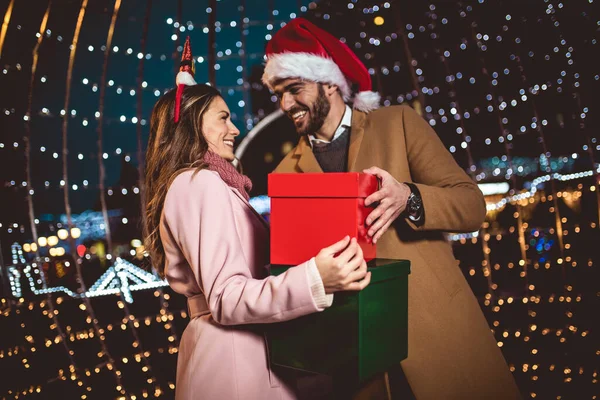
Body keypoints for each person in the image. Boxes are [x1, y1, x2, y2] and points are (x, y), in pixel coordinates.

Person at [263, 18, 522, 399]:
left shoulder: (397, 123)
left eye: (294, 89)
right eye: (279, 94)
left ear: (330, 83)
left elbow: (471, 205)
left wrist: (409, 198)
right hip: (359, 365)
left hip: (435, 333)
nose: (286, 104)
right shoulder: (285, 172)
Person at [143, 38, 371, 400]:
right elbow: (226, 298)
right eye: (223, 118)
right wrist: (315, 278)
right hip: (234, 361)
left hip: (239, 353)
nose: (234, 129)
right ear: (190, 123)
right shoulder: (198, 182)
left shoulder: (211, 184)